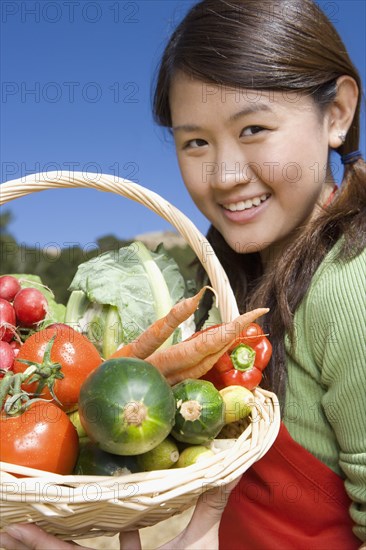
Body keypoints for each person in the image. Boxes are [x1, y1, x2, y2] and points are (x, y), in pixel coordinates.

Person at [1, 0, 365, 548]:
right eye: (195, 141)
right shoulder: (232, 279)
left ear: (336, 113)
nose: (224, 175)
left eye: (255, 128)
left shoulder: (350, 286)